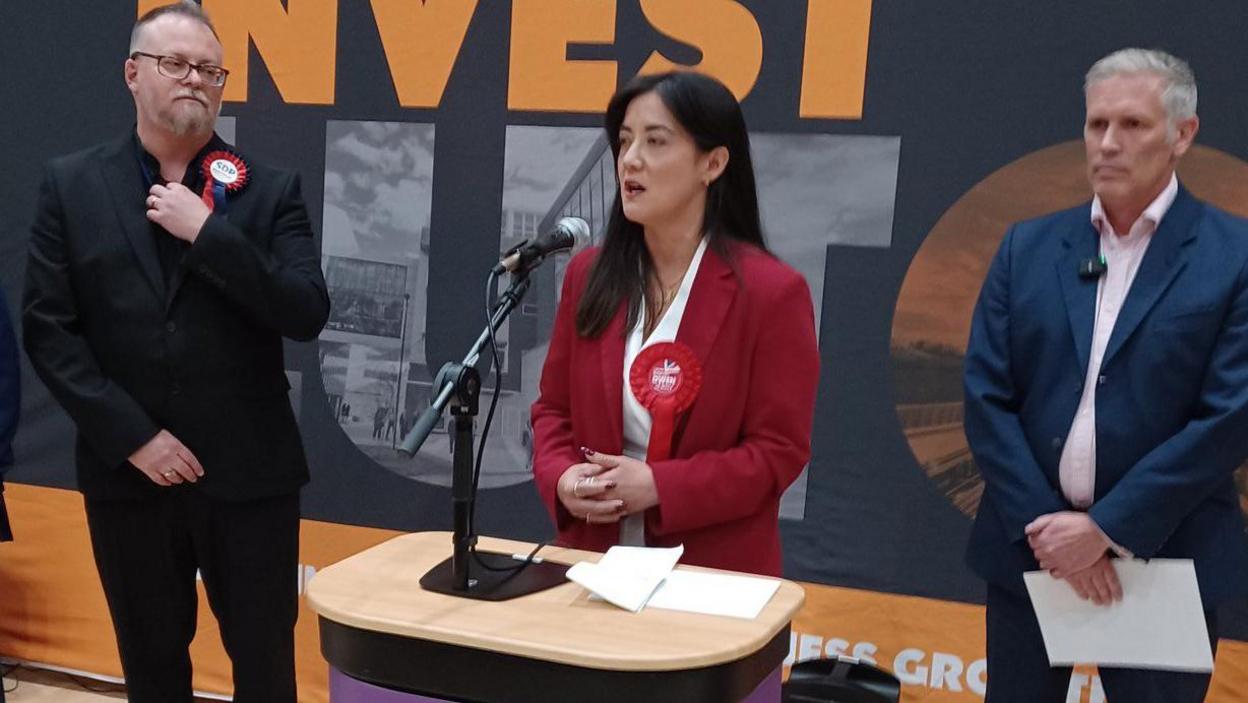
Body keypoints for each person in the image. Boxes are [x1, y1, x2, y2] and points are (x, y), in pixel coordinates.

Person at [21, 3, 329, 701]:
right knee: (152, 668)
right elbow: (49, 330)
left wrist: (210, 234)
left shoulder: (269, 189)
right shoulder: (71, 186)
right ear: (133, 73)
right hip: (128, 478)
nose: (195, 80)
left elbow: (306, 310)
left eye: (210, 71)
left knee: (265, 670)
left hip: (251, 479)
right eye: (176, 64)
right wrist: (135, 438)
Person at [963, 48, 1248, 702]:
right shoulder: (1026, 247)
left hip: (1163, 559)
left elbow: (1229, 416)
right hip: (1031, 559)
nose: (1109, 144)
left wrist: (1107, 527)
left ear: (1183, 134)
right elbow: (986, 397)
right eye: (1096, 125)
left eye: (1133, 125)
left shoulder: (1235, 257)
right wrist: (1051, 529)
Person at [530, 71, 819, 577]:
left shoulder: (773, 292)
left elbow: (777, 452)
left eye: (655, 141)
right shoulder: (587, 274)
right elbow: (552, 411)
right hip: (590, 568)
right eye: (623, 142)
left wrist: (661, 487)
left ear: (713, 162)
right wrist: (563, 480)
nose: (630, 159)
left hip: (713, 579)